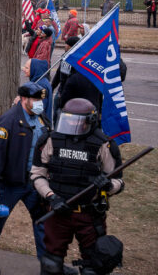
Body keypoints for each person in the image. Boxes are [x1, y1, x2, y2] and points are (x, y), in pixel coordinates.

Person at [30, 98, 124, 275]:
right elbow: (37, 174)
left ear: (91, 120)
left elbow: (119, 181)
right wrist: (51, 196)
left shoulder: (104, 144)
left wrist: (108, 185)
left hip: (89, 215)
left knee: (93, 267)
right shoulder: (50, 140)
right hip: (57, 211)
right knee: (50, 264)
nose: (72, 124)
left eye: (78, 121)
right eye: (68, 119)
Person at [0, 82, 50, 275]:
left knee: (42, 222)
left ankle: (48, 263)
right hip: (9, 184)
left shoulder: (42, 118)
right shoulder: (8, 121)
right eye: (35, 99)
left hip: (35, 183)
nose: (39, 103)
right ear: (24, 99)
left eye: (40, 100)